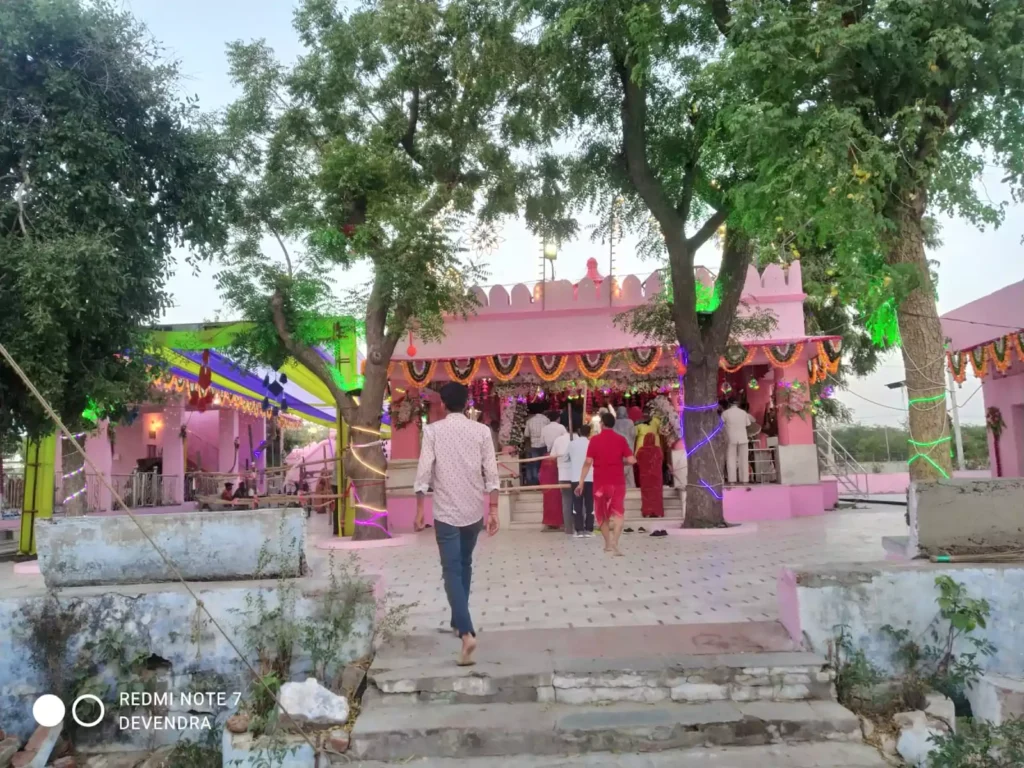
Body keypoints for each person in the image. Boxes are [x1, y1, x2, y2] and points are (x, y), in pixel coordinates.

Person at [414, 382, 500, 667]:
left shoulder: (433, 431)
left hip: (446, 512)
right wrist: (494, 509)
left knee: (451, 570)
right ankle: (457, 620)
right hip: (473, 511)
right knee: (464, 565)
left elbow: (424, 470)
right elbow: (492, 471)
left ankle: (466, 633)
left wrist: (418, 509)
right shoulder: (481, 431)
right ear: (466, 404)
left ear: (441, 404)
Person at [575, 411, 636, 556]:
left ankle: (608, 543)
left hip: (600, 483)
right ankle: (615, 541)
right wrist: (620, 462)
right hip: (618, 482)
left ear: (601, 424)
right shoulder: (620, 439)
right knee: (619, 513)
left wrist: (581, 482)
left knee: (602, 514)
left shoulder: (594, 440)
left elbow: (588, 462)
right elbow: (632, 460)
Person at [567, 424, 594, 536]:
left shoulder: (572, 444)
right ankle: (589, 529)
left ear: (579, 432)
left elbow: (566, 457)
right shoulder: (592, 444)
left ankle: (579, 530)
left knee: (577, 505)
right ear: (589, 433)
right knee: (590, 505)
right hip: (590, 477)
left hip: (576, 478)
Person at [549, 423, 575, 534]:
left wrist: (560, 462)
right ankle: (580, 526)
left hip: (563, 474)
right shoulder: (580, 439)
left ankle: (568, 528)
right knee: (579, 501)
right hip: (578, 475)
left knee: (566, 501)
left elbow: (552, 457)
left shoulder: (558, 440)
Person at [723, 400, 755, 484]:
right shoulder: (743, 413)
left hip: (730, 438)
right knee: (744, 459)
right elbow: (748, 425)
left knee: (730, 458)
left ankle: (732, 480)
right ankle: (745, 480)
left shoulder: (725, 413)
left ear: (729, 404)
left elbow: (721, 425)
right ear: (738, 404)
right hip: (743, 438)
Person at [637, 433, 664, 518]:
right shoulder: (658, 450)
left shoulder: (641, 450)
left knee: (646, 494)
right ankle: (657, 512)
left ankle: (647, 512)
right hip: (656, 476)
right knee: (657, 494)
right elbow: (661, 460)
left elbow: (638, 461)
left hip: (645, 476)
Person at [524, 406, 550, 485]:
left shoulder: (529, 421)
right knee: (545, 464)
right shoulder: (546, 420)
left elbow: (526, 434)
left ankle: (536, 482)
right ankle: (545, 481)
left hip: (534, 445)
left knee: (535, 464)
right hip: (544, 445)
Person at [613, 406, 637, 488]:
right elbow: (633, 434)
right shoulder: (630, 422)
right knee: (629, 467)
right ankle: (630, 485)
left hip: (617, 449)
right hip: (628, 446)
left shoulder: (614, 422)